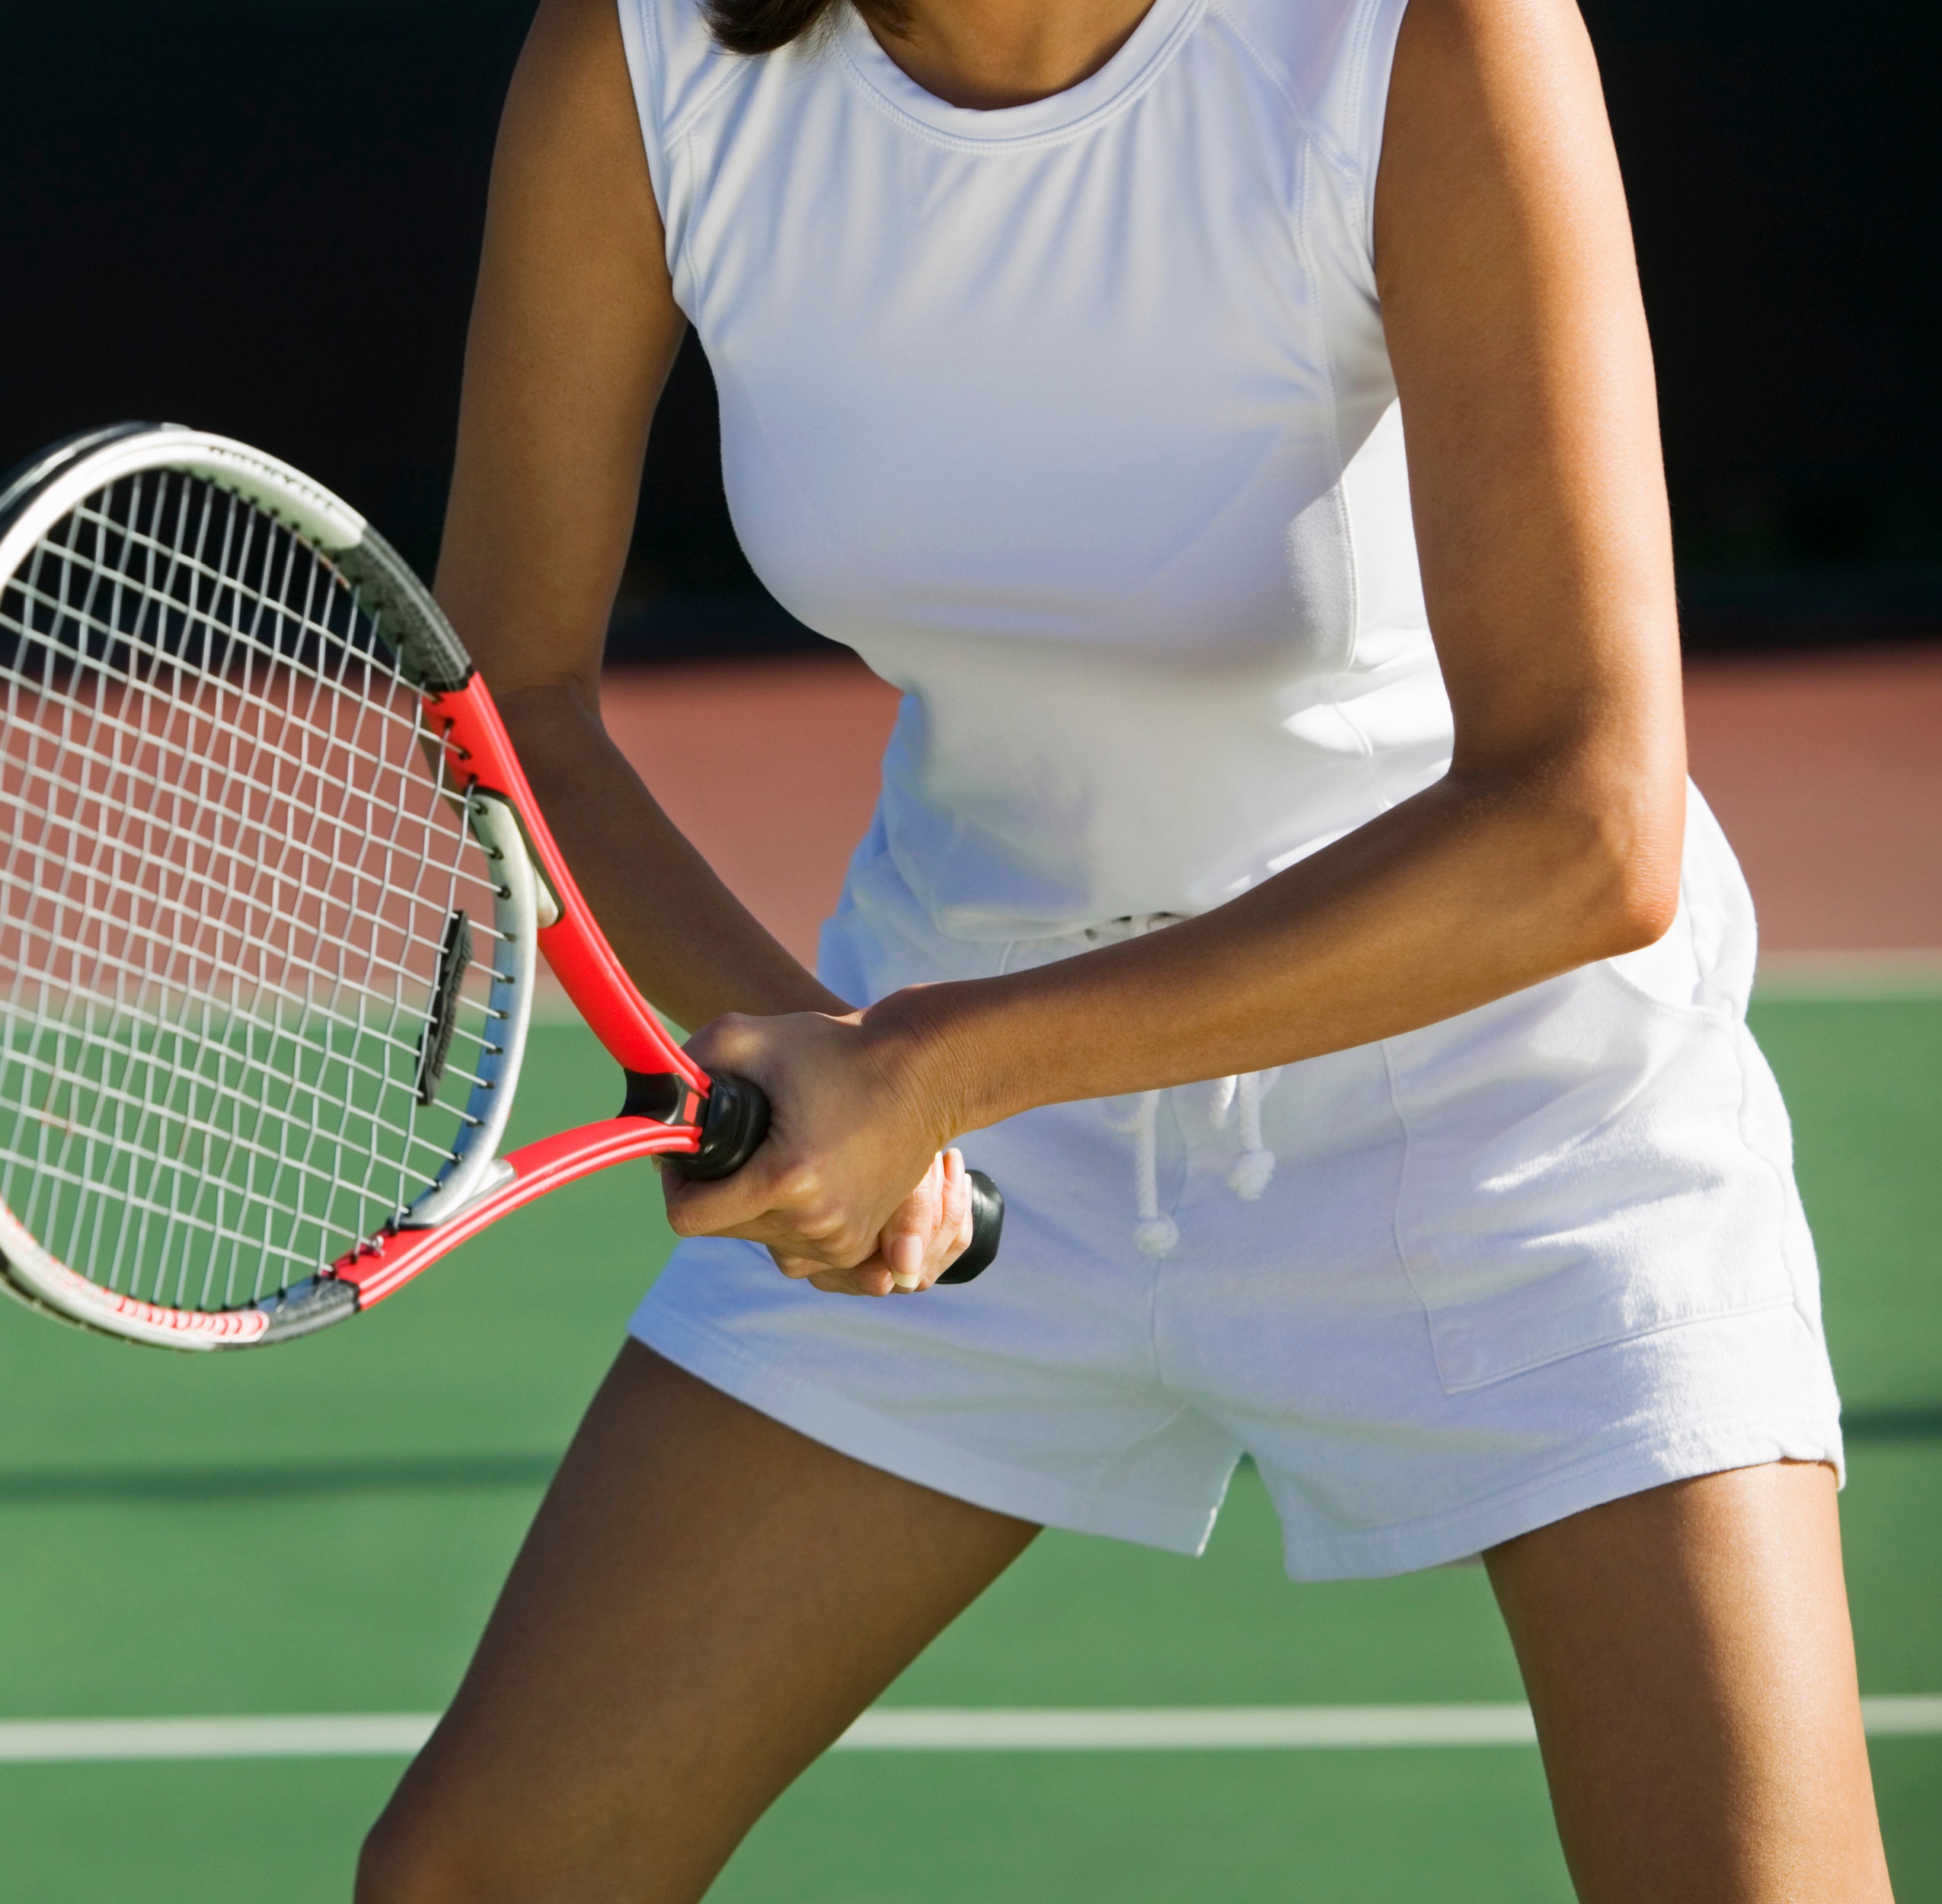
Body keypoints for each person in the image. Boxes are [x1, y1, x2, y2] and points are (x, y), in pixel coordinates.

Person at [359, 0, 1890, 1894]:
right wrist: (827, 1046)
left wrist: (926, 1069)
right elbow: (513, 690)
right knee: (481, 1877)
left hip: (1510, 1102)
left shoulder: (1426, 37)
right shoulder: (644, 57)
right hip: (976, 1082)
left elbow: (1585, 827)